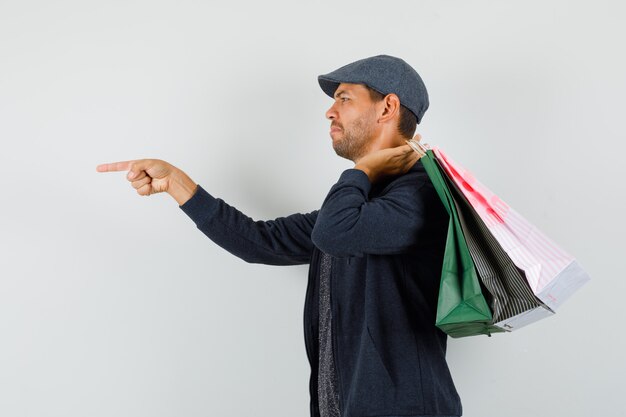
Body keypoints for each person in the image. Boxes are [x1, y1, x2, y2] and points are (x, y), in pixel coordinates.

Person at [97, 55, 463, 417]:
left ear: (388, 107)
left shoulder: (421, 193)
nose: (329, 111)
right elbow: (260, 242)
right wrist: (177, 183)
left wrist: (362, 169)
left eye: (344, 98)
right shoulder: (365, 201)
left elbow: (336, 232)